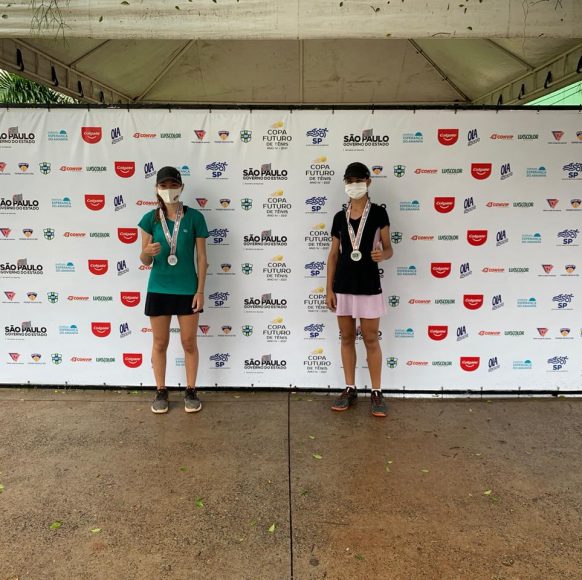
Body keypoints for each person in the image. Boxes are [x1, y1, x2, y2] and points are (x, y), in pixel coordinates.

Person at [138, 166, 209, 414]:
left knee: (189, 342)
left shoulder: (195, 217)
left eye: (173, 185)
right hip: (159, 288)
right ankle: (160, 390)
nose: (168, 190)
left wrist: (200, 291)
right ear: (157, 188)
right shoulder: (150, 218)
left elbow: (202, 258)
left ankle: (191, 390)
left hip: (187, 289)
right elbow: (144, 260)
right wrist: (146, 252)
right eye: (164, 185)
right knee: (160, 342)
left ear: (181, 187)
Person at [326, 162, 394, 417]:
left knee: (370, 338)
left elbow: (389, 248)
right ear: (345, 183)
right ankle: (350, 388)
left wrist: (382, 255)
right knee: (346, 337)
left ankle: (376, 392)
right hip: (343, 285)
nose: (354, 185)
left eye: (358, 180)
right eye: (350, 181)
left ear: (368, 182)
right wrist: (328, 289)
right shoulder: (339, 217)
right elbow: (333, 255)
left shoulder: (378, 214)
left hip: (368, 284)